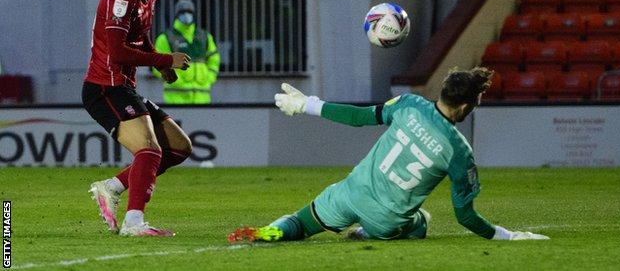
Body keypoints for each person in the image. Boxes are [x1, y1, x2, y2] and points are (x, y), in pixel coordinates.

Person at [228, 67, 550, 242]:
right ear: (466, 106)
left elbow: (358, 118)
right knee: (422, 221)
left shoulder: (408, 104)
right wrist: (507, 236)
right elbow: (465, 216)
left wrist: (309, 103)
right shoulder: (460, 153)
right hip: (386, 222)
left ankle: (270, 230)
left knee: (302, 221)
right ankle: (368, 231)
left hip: (351, 193)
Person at [82, 0, 193, 237]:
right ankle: (134, 223)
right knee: (149, 149)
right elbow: (117, 52)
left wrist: (160, 64)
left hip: (124, 88)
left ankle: (111, 187)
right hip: (104, 88)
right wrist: (165, 59)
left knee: (180, 147)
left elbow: (140, 38)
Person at [152, 0, 220, 104]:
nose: (186, 15)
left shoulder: (204, 37)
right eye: (182, 12)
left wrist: (210, 77)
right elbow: (156, 64)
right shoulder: (166, 38)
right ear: (177, 15)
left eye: (189, 12)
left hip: (202, 98)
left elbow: (214, 58)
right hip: (176, 99)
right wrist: (174, 80)